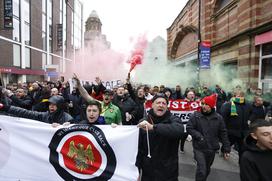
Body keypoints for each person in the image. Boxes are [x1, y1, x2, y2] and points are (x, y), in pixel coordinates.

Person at [136, 94, 184, 181]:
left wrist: (153, 127)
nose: (161, 105)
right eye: (158, 103)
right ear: (152, 105)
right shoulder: (143, 122)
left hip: (169, 172)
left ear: (167, 107)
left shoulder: (174, 119)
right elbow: (139, 149)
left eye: (164, 103)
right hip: (149, 172)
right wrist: (137, 171)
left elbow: (179, 130)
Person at [187, 94, 231, 181]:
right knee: (202, 169)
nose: (203, 106)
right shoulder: (195, 115)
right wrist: (198, 136)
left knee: (207, 169)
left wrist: (226, 149)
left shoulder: (218, 118)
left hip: (212, 148)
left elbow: (223, 133)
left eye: (206, 104)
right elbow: (189, 128)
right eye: (202, 104)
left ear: (211, 106)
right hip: (199, 147)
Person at [0, 95, 74, 125]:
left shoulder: (68, 118)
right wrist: (5, 107)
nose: (51, 106)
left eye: (54, 105)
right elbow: (26, 113)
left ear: (60, 106)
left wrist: (63, 127)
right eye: (50, 104)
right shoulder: (44, 115)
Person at [221, 90, 252, 159]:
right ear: (234, 96)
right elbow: (223, 117)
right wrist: (223, 129)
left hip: (243, 131)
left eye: (242, 96)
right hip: (231, 131)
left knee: (243, 149)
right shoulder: (228, 105)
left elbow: (252, 113)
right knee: (228, 144)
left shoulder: (248, 104)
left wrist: (250, 119)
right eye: (238, 95)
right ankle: (224, 151)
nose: (240, 97)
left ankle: (242, 162)